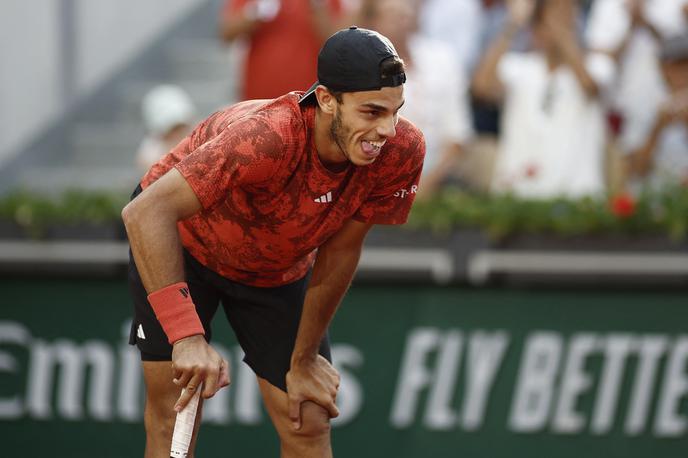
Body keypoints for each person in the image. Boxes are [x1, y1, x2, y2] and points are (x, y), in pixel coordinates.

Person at [121, 26, 425, 457]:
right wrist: (186, 336)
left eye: (395, 112)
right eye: (372, 112)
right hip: (183, 246)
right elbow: (145, 212)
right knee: (176, 414)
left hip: (276, 267)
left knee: (309, 416)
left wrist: (303, 359)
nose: (388, 130)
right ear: (325, 100)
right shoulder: (265, 138)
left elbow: (341, 249)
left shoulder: (401, 150)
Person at [472, 0, 615, 198]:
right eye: (548, 22)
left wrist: (564, 34)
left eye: (565, 18)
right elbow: (481, 87)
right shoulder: (520, 67)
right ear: (535, 30)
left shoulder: (598, 65)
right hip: (519, 193)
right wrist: (512, 24)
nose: (555, 27)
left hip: (578, 197)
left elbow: (589, 88)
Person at [360, 0, 474, 196]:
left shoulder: (443, 57)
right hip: (380, 183)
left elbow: (458, 135)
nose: (400, 19)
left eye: (405, 11)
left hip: (441, 180)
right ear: (373, 22)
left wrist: (425, 186)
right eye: (390, 13)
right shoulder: (360, 70)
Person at [219, 0, 343, 100]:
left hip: (308, 96)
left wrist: (318, 7)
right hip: (260, 97)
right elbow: (226, 33)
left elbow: (337, 44)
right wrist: (255, 11)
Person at [626, 33, 688, 189]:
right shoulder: (644, 104)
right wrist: (657, 128)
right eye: (675, 65)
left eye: (685, 64)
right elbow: (636, 171)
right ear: (662, 68)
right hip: (661, 204)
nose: (682, 72)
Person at [136, 85, 196, 173]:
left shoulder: (199, 138)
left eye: (180, 127)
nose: (177, 134)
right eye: (173, 129)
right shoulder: (152, 150)